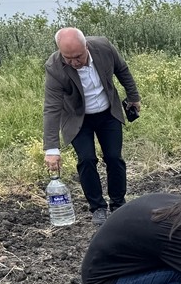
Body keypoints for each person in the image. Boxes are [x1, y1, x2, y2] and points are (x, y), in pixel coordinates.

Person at [43, 28, 141, 225]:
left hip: (108, 113)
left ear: (86, 46)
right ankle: (98, 208)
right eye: (68, 58)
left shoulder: (104, 47)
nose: (74, 62)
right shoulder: (54, 67)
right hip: (78, 118)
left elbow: (122, 70)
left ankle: (118, 204)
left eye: (78, 56)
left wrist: (133, 98)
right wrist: (51, 149)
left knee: (114, 158)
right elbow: (51, 108)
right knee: (86, 160)